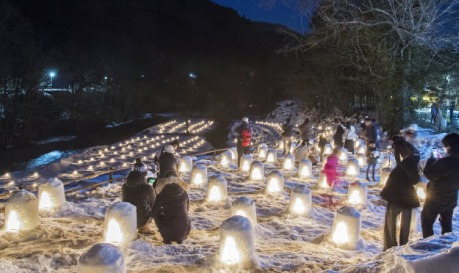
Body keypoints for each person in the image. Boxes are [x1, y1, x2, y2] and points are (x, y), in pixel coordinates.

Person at [380, 141, 420, 251]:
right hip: (406, 197)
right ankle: (402, 246)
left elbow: (413, 178)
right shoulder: (413, 161)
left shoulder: (406, 162)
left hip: (396, 196)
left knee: (390, 224)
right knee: (404, 225)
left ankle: (390, 247)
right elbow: (415, 179)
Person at [421, 133, 459, 238]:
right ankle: (446, 248)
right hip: (451, 198)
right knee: (447, 225)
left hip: (435, 199)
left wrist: (431, 161)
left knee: (427, 222)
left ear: (448, 146)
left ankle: (430, 246)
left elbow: (429, 173)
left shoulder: (447, 161)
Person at [151, 168, 191, 244]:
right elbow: (187, 209)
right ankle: (180, 238)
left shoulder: (162, 194)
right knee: (183, 215)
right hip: (184, 229)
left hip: (168, 231)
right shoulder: (184, 193)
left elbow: (154, 213)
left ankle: (167, 238)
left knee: (157, 217)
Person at [122, 158, 156, 234]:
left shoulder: (124, 186)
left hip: (127, 219)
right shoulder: (147, 188)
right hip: (141, 221)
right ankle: (143, 228)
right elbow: (153, 204)